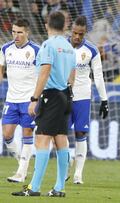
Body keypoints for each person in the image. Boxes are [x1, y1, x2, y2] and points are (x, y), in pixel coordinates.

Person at [12, 11, 76, 197]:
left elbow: (44, 72)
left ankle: (34, 187)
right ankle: (59, 188)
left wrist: (34, 99)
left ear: (47, 25)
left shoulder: (48, 45)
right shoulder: (69, 47)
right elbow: (73, 75)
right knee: (60, 139)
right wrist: (67, 93)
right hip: (65, 95)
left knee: (42, 138)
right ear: (64, 26)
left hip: (51, 96)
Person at [68, 15, 108, 185]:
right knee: (59, 135)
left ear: (85, 33)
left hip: (83, 96)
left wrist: (104, 100)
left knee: (80, 133)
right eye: (75, 33)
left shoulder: (92, 51)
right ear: (71, 30)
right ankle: (66, 163)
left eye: (81, 34)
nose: (77, 37)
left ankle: (78, 174)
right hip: (62, 96)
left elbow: (98, 76)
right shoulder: (61, 46)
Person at [0, 19, 39, 183]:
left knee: (27, 133)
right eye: (14, 32)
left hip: (28, 99)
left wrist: (36, 99)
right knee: (7, 135)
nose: (16, 35)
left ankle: (21, 173)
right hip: (11, 99)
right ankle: (22, 164)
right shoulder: (5, 48)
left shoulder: (36, 50)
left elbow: (43, 75)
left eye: (20, 32)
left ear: (27, 32)